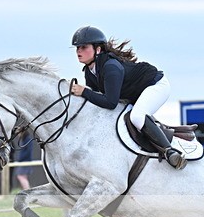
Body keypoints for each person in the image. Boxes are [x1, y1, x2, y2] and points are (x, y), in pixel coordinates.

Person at [69, 26, 185, 170]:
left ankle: (170, 152)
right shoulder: (90, 71)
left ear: (98, 49)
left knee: (136, 116)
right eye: (77, 48)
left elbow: (110, 102)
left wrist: (84, 92)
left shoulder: (110, 67)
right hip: (134, 93)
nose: (78, 51)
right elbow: (96, 101)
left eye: (83, 47)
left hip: (156, 85)